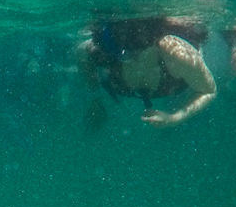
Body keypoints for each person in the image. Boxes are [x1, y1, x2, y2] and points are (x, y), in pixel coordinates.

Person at [78, 16, 216, 128]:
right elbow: (81, 53)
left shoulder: (176, 53)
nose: (127, 60)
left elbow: (208, 91)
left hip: (180, 81)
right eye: (119, 54)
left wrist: (175, 118)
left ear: (152, 44)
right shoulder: (101, 52)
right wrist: (95, 99)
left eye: (134, 54)